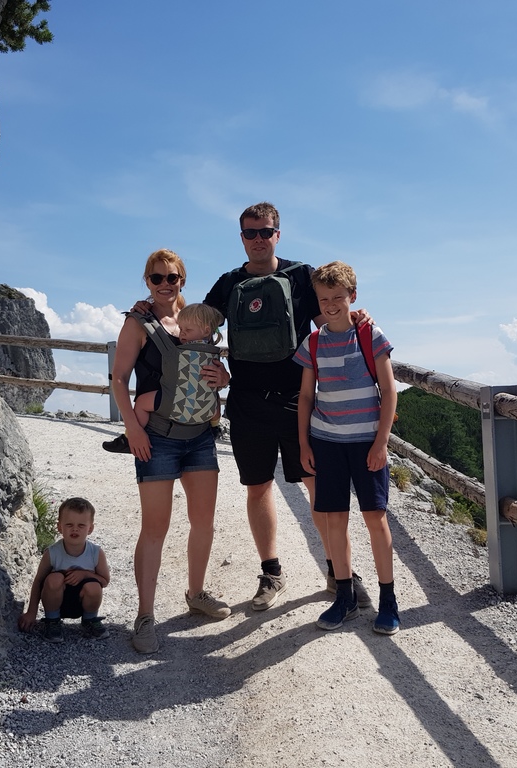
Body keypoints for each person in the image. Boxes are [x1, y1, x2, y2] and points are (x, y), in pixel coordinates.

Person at [202, 202, 372, 611]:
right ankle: (271, 573)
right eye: (250, 233)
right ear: (241, 237)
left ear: (279, 234)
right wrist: (146, 314)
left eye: (266, 232)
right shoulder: (227, 284)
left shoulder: (300, 276)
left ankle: (339, 571)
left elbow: (331, 324)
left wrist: (358, 317)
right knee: (257, 487)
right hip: (245, 399)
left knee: (318, 488)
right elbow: (193, 328)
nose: (258, 239)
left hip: (300, 402)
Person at [110, 249, 231, 654]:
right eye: (157, 278)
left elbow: (214, 372)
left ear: (183, 280)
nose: (165, 285)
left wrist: (223, 377)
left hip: (199, 435)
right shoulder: (138, 321)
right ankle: (145, 616)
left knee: (204, 522)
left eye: (172, 278)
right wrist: (132, 430)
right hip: (157, 437)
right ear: (146, 281)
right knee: (155, 528)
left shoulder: (195, 320)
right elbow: (119, 379)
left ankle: (196, 593)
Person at [294, 261, 401, 634]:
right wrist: (304, 443)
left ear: (352, 296)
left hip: (366, 442)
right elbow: (307, 396)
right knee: (334, 519)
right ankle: (345, 597)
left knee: (375, 518)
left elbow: (389, 391)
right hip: (326, 442)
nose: (331, 304)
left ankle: (388, 601)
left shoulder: (370, 335)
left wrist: (381, 442)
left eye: (338, 297)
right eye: (324, 298)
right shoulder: (313, 341)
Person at [102, 302, 225, 454]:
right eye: (181, 329)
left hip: (174, 396)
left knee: (141, 402)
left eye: (187, 330)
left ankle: (129, 436)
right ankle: (215, 427)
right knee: (215, 402)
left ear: (206, 329)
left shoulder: (180, 348)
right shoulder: (211, 347)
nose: (182, 334)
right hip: (203, 401)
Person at [18, 497, 112, 642]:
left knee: (94, 586)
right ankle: (52, 621)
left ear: (90, 529)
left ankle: (90, 620)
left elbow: (104, 581)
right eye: (69, 525)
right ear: (59, 527)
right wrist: (32, 612)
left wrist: (85, 574)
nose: (75, 529)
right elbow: (38, 581)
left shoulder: (96, 553)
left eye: (81, 525)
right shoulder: (52, 553)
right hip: (56, 601)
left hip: (81, 602)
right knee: (54, 579)